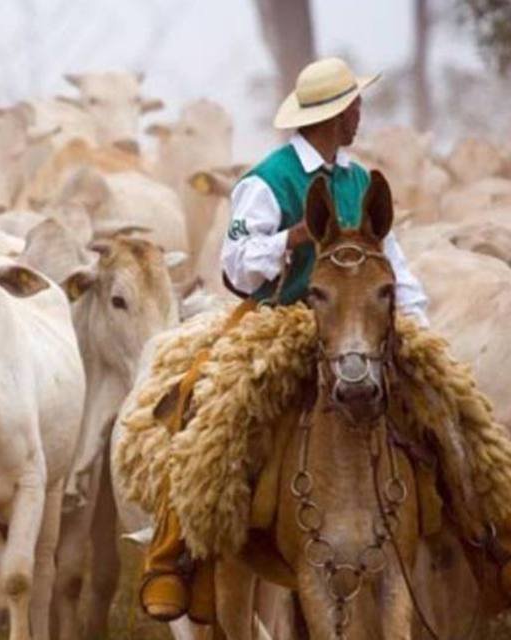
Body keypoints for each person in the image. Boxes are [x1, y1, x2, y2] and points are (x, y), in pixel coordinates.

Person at [139, 56, 431, 622]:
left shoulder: (359, 180)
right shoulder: (267, 180)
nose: (360, 116)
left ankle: (486, 537)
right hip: (281, 321)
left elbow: (391, 262)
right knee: (205, 409)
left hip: (358, 324)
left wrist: (417, 326)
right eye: (354, 106)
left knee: (445, 407)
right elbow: (237, 265)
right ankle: (174, 553)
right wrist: (292, 239)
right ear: (334, 115)